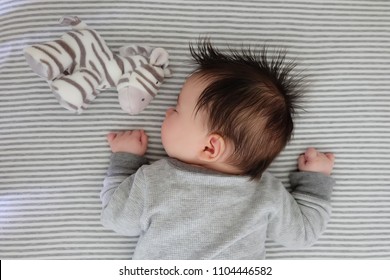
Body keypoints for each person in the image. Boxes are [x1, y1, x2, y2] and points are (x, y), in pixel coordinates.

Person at [100, 39, 336, 259]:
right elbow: (304, 232)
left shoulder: (154, 181)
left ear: (210, 147)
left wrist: (126, 159)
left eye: (177, 109)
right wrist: (315, 180)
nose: (167, 112)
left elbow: (116, 218)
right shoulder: (266, 193)